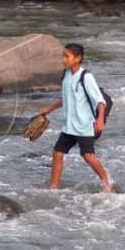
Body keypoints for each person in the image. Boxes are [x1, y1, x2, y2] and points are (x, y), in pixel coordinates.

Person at [38, 43, 113, 193]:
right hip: (69, 125)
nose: (63, 59)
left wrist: (99, 121)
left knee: (87, 155)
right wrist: (49, 109)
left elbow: (100, 101)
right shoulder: (65, 75)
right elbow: (66, 98)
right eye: (63, 56)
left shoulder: (86, 77)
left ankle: (107, 181)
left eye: (67, 56)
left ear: (77, 58)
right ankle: (54, 187)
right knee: (57, 153)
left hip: (85, 125)